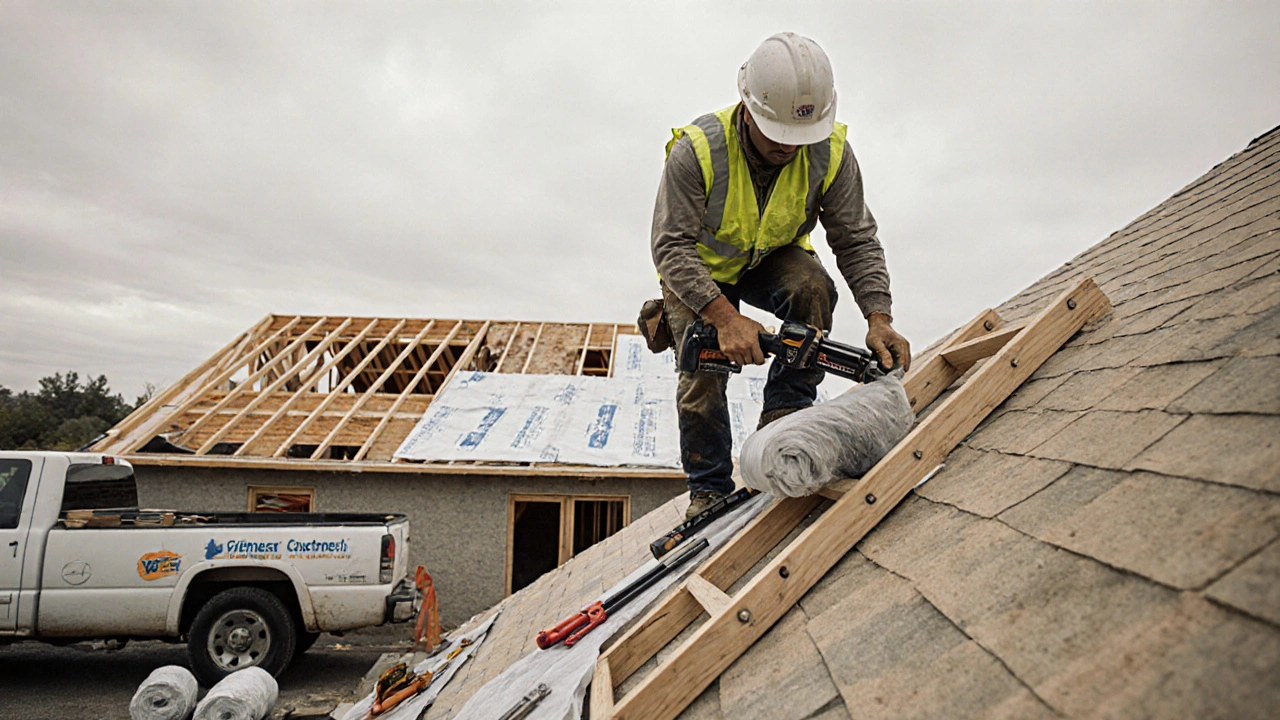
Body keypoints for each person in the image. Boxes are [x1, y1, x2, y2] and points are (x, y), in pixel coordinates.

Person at [651, 32, 912, 519]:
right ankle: (707, 488)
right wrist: (725, 319)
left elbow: (855, 238)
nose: (792, 148)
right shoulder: (698, 151)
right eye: (780, 136)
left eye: (802, 137)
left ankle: (783, 417)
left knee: (812, 289)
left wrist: (880, 318)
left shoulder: (829, 151)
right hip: (699, 270)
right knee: (702, 369)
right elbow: (670, 246)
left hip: (772, 254)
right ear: (747, 111)